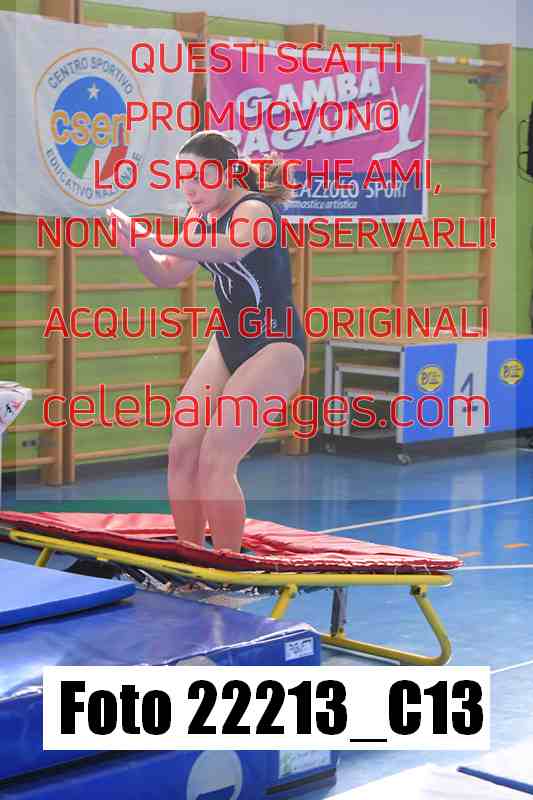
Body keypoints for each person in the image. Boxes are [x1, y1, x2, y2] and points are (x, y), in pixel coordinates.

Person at [107, 131, 307, 552]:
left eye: (200, 177)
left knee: (217, 457)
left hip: (275, 344)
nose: (190, 189)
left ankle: (227, 571)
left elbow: (229, 249)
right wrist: (139, 252)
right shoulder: (198, 217)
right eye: (184, 178)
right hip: (229, 342)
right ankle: (191, 562)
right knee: (182, 450)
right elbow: (167, 273)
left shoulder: (255, 209)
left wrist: (152, 238)